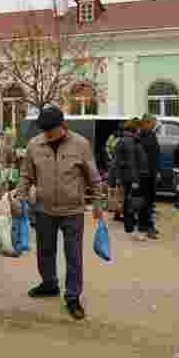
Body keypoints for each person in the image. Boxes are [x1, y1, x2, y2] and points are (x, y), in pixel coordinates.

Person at [16, 105, 103, 320]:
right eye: (44, 130)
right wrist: (20, 196)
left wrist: (98, 202)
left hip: (72, 210)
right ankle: (49, 284)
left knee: (73, 255)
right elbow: (26, 174)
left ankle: (73, 296)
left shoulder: (80, 144)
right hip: (44, 209)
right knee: (45, 252)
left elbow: (93, 176)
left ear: (63, 125)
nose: (46, 134)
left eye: (50, 130)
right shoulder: (34, 145)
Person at [114, 119, 149, 241]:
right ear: (134, 129)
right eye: (138, 128)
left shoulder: (126, 140)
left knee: (130, 202)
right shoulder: (128, 141)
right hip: (133, 177)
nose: (140, 130)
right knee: (134, 203)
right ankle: (134, 229)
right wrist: (135, 180)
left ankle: (131, 228)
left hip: (130, 176)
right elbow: (131, 162)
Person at [137, 113, 161, 239]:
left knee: (150, 201)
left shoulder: (150, 134)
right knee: (145, 202)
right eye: (153, 123)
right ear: (146, 123)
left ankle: (149, 225)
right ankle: (143, 227)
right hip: (145, 174)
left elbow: (155, 154)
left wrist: (156, 171)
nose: (154, 125)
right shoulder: (141, 136)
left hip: (151, 172)